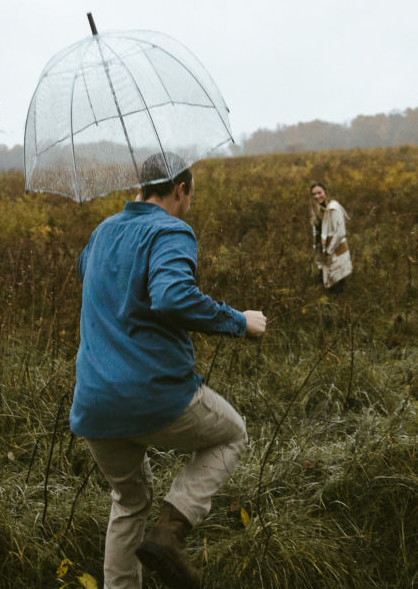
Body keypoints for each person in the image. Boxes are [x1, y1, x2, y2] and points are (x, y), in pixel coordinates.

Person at [71, 152, 267, 589]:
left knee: (128, 501)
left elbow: (85, 269)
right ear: (180, 189)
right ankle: (170, 533)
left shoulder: (103, 230)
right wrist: (240, 322)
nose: (190, 203)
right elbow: (173, 296)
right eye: (191, 194)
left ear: (142, 188)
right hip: (152, 394)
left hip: (94, 406)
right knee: (233, 432)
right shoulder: (172, 229)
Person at [310, 182, 352, 291]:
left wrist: (329, 252)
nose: (317, 196)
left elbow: (340, 233)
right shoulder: (317, 210)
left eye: (319, 193)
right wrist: (319, 252)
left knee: (337, 283)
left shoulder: (334, 208)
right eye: (314, 194)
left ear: (325, 193)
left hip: (335, 251)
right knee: (327, 284)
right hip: (324, 252)